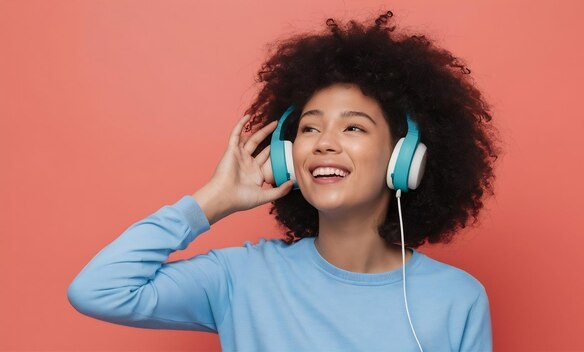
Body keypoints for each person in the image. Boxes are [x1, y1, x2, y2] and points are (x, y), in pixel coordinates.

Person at [68, 11, 501, 352]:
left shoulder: (456, 300)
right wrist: (213, 201)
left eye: (353, 128)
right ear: (287, 157)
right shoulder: (240, 278)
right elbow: (98, 290)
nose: (323, 143)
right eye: (309, 129)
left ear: (404, 158)